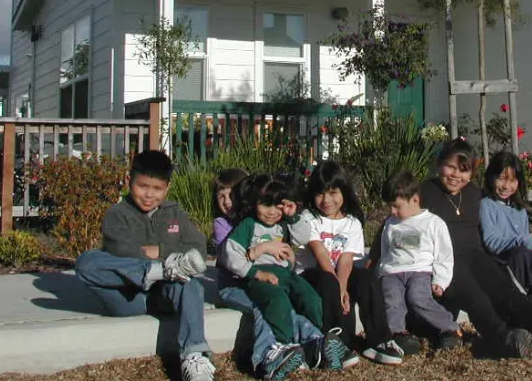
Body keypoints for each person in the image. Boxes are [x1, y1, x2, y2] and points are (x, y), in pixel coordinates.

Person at [418, 139, 532, 358]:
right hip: (443, 263)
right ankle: (504, 339)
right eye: (450, 167)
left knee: (508, 293)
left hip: (475, 257)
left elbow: (497, 222)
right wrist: (375, 257)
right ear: (438, 164)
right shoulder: (425, 192)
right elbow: (395, 221)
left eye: (463, 170)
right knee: (476, 297)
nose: (455, 175)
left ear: (471, 173)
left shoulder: (473, 194)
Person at [75, 150, 216, 381]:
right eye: (142, 186)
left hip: (165, 293)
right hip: (129, 298)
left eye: (157, 189)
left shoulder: (175, 213)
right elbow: (121, 251)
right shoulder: (117, 214)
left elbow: (198, 250)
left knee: (192, 285)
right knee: (87, 262)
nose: (149, 195)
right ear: (129, 180)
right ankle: (157, 271)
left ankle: (195, 356)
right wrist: (165, 262)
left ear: (167, 187)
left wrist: (159, 251)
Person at [219, 176, 348, 371]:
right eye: (265, 205)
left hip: (286, 273)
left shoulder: (284, 223)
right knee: (277, 299)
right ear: (254, 204)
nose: (271, 212)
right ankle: (284, 344)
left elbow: (303, 236)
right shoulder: (249, 224)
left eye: (277, 206)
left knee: (310, 297)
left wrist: (293, 215)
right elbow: (231, 254)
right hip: (261, 274)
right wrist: (256, 272)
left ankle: (317, 340)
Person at [291, 161, 403, 366]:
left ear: (344, 192)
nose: (326, 200)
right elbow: (320, 253)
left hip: (337, 274)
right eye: (320, 193)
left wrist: (343, 287)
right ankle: (338, 344)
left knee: (367, 278)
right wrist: (338, 288)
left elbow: (346, 261)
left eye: (333, 192)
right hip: (311, 274)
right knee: (328, 281)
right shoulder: (309, 217)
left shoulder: (352, 222)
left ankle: (379, 340)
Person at [372, 170, 461, 353]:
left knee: (418, 297)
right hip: (392, 273)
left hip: (420, 271)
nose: (392, 211)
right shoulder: (391, 223)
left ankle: (449, 327)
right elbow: (386, 250)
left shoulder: (433, 223)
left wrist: (440, 281)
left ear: (415, 199)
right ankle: (398, 334)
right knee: (392, 301)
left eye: (397, 206)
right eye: (390, 207)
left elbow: (444, 255)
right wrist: (380, 271)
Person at [480, 152, 532, 315]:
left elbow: (525, 243)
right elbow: (491, 242)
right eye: (501, 178)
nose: (506, 186)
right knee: (522, 254)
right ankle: (530, 306)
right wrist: (521, 240)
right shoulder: (486, 205)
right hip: (500, 260)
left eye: (512, 180)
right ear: (491, 177)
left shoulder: (519, 209)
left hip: (520, 261)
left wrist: (529, 244)